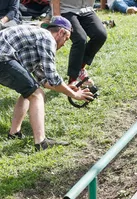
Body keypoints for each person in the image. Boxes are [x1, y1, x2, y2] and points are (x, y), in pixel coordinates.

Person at [0, 17, 93, 150]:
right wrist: (74, 95)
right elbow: (53, 77)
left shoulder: (36, 38)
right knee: (37, 95)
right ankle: (41, 142)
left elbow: (43, 80)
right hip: (3, 58)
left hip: (3, 58)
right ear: (61, 32)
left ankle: (14, 133)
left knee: (30, 91)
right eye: (66, 39)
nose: (65, 44)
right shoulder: (47, 37)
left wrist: (66, 88)